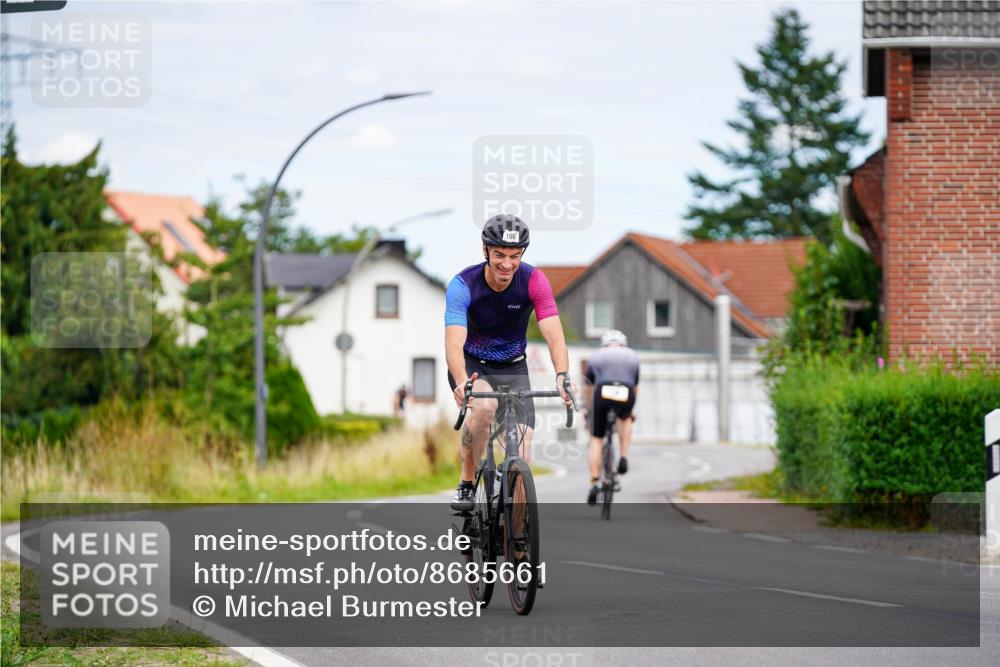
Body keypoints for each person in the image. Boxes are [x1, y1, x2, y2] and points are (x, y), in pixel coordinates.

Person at [444, 214, 574, 511]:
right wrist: (461, 379)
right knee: (486, 408)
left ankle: (517, 541)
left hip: (514, 365)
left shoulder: (533, 280)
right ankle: (466, 483)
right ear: (485, 251)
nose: (506, 264)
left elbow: (554, 333)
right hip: (473, 363)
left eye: (514, 256)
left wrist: (562, 375)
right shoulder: (463, 284)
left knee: (525, 447)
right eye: (499, 255)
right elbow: (453, 341)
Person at [582, 329, 639, 505]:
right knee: (626, 419)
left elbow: (588, 386)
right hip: (626, 391)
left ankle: (594, 481)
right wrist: (631, 410)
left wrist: (586, 408)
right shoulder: (632, 356)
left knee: (596, 439)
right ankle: (623, 456)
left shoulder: (596, 356)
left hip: (603, 391)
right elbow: (635, 385)